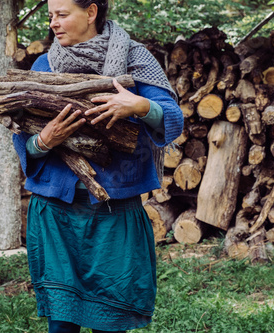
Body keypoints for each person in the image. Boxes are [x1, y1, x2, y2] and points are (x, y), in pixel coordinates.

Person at [12, 0, 183, 332]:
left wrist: (141, 105)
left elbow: (173, 119)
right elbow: (21, 136)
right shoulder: (45, 65)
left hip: (113, 214)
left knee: (111, 321)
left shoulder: (136, 60)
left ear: (91, 12)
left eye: (62, 14)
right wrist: (44, 141)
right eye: (50, 16)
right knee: (62, 323)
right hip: (55, 213)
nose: (53, 24)